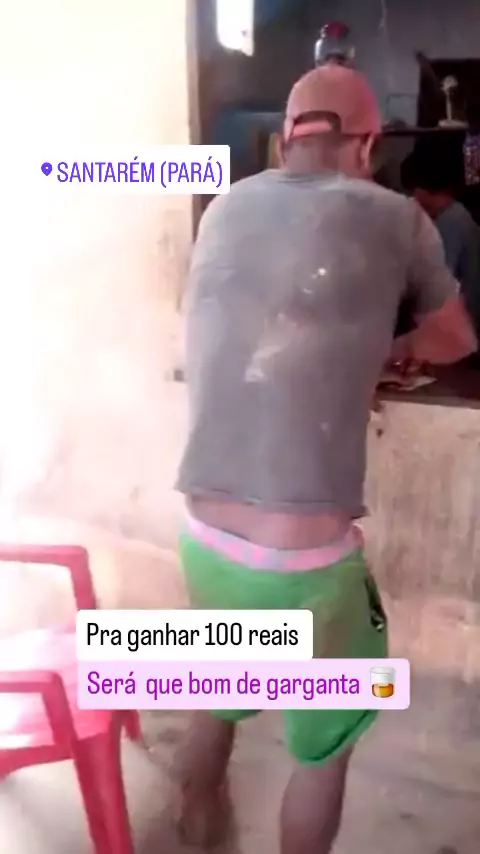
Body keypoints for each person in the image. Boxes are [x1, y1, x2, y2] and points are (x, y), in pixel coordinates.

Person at [174, 64, 476, 854]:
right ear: (367, 146)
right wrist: (387, 350)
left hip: (203, 536)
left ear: (287, 134)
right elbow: (455, 340)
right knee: (325, 744)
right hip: (302, 564)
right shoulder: (396, 216)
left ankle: (197, 820)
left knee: (218, 685)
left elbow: (233, 334)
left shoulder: (225, 205)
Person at [401, 153, 480, 344]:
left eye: (414, 191)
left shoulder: (451, 221)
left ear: (424, 188)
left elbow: (438, 281)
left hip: (463, 328)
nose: (413, 198)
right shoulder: (454, 215)